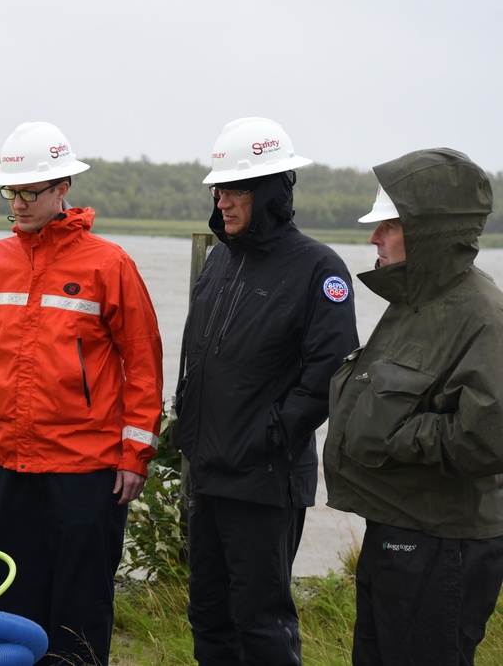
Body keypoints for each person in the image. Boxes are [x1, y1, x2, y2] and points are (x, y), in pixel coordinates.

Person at [0, 121, 164, 665]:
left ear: (62, 188)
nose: (18, 203)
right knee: (17, 607)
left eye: (30, 191)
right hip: (14, 464)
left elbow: (143, 363)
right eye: (11, 191)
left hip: (86, 467)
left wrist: (135, 454)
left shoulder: (109, 263)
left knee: (80, 609)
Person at [174, 117, 359, 664]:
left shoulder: (318, 267)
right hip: (208, 472)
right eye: (217, 188)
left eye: (234, 189)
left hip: (263, 478)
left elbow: (331, 367)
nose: (222, 200)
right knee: (208, 612)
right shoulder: (220, 260)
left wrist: (273, 433)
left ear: (272, 190)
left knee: (260, 619)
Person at [323, 148, 503, 665]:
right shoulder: (412, 304)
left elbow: (486, 436)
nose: (373, 238)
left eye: (388, 225)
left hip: (443, 543)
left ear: (430, 231)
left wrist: (392, 434)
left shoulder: (482, 316)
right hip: (395, 526)